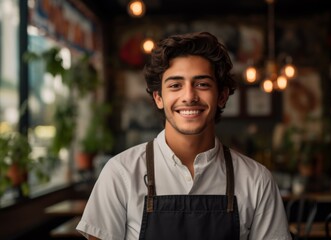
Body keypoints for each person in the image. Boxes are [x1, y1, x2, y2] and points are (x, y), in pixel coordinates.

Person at [76, 31, 292, 240]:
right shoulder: (120, 173)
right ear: (159, 97)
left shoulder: (257, 180)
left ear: (222, 96)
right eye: (176, 85)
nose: (189, 96)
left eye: (202, 84)